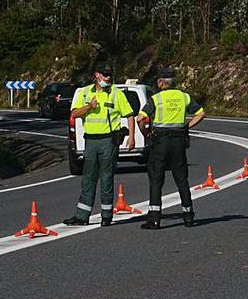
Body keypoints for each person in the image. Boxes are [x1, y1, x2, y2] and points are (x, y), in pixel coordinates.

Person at [64, 63, 135, 227]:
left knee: (106, 178)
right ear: (96, 75)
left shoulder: (116, 93)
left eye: (109, 75)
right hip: (90, 141)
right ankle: (82, 216)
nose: (108, 78)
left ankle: (106, 216)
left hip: (108, 141)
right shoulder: (84, 92)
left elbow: (129, 115)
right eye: (104, 74)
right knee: (88, 178)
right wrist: (89, 106)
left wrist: (131, 137)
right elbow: (74, 114)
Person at [137, 67, 205, 229]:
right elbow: (201, 113)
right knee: (181, 178)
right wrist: (186, 127)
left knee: (156, 178)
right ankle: (188, 216)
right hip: (178, 140)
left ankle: (154, 219)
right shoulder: (184, 97)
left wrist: (146, 133)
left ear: (161, 82)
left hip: (160, 141)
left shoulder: (156, 98)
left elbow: (141, 118)